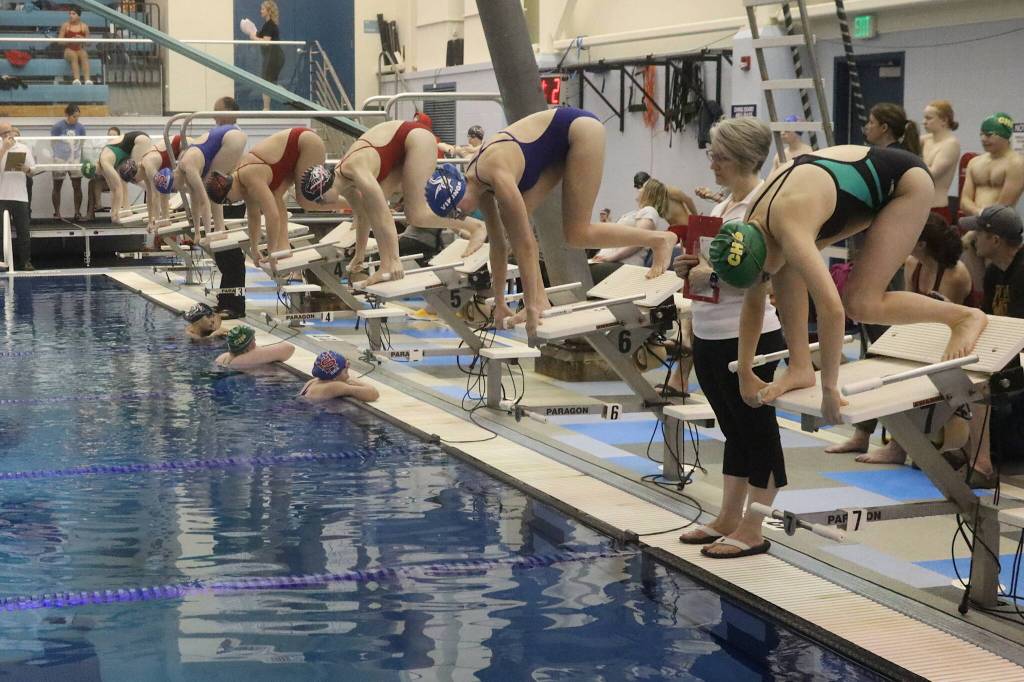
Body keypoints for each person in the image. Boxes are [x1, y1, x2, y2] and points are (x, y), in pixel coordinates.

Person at [710, 144, 988, 424]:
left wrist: (830, 389)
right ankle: (800, 366)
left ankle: (963, 317)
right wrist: (745, 371)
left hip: (905, 184)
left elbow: (831, 309)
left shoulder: (789, 229)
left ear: (760, 255)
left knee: (861, 303)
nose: (761, 283)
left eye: (760, 276)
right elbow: (753, 303)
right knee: (786, 269)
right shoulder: (748, 230)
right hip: (842, 187)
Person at [424, 107, 677, 336]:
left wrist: (529, 306)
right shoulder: (478, 186)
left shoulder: (494, 173)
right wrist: (500, 303)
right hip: (551, 150)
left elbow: (526, 244)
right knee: (511, 225)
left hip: (578, 131)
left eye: (457, 212)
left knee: (577, 233)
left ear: (458, 195)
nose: (461, 218)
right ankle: (541, 300)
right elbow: (499, 246)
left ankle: (658, 239)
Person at [673, 118, 784, 559]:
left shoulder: (761, 206)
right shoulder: (723, 208)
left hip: (750, 333)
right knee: (733, 428)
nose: (711, 163)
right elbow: (710, 268)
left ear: (740, 157)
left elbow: (762, 272)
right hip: (710, 329)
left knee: (758, 431)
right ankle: (728, 516)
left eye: (717, 155)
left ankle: (755, 527)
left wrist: (710, 272)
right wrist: (689, 269)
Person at [827, 212, 972, 462]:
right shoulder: (911, 264)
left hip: (953, 341)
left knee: (902, 374)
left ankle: (898, 447)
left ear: (921, 243)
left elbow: (952, 321)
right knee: (875, 360)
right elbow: (908, 308)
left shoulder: (955, 274)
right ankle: (861, 436)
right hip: (921, 334)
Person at [315, 117, 486, 286]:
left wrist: (396, 259)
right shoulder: (342, 180)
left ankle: (476, 227)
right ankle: (385, 266)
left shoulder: (357, 172)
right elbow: (362, 216)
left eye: (320, 199)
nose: (321, 204)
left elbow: (383, 214)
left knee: (417, 215)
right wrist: (359, 256)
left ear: (326, 187)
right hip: (399, 147)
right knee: (370, 207)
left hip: (416, 139)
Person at [204, 127, 346, 264]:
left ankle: (352, 204)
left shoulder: (249, 177)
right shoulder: (242, 185)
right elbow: (253, 217)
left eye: (228, 201)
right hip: (290, 155)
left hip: (305, 143)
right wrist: (254, 248)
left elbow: (272, 216)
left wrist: (271, 252)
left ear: (228, 191)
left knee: (306, 201)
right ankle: (284, 248)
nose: (232, 203)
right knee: (276, 196)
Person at [959, 206, 1024, 487]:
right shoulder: (995, 274)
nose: (973, 238)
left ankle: (982, 462)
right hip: (1008, 350)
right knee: (952, 369)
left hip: (1019, 355)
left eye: (979, 233)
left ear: (995, 240)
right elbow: (987, 320)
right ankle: (956, 446)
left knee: (979, 380)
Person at [210, 96, 246, 318]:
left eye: (218, 111)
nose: (214, 115)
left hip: (232, 201)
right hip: (220, 200)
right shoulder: (220, 135)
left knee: (231, 255)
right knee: (222, 255)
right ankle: (225, 300)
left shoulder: (236, 137)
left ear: (232, 113)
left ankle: (235, 306)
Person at [173, 125, 247, 235]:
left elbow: (204, 201)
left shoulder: (188, 167)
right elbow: (194, 201)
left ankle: (219, 230)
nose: (178, 190)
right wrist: (197, 232)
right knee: (212, 186)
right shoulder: (183, 165)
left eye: (176, 188)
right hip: (229, 135)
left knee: (211, 188)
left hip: (230, 139)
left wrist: (207, 234)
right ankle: (219, 229)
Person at [590, 178, 668, 282]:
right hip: (613, 263)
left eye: (642, 187)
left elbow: (638, 241)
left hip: (622, 265)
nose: (638, 190)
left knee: (581, 272)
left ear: (649, 193)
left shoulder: (650, 211)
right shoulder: (636, 212)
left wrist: (611, 258)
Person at [961, 114, 1024, 217]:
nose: (983, 139)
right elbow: (964, 201)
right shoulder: (974, 162)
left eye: (989, 135)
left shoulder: (1016, 163)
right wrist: (978, 213)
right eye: (981, 134)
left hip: (999, 228)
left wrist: (982, 218)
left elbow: (1003, 207)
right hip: (975, 222)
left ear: (1005, 136)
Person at [96, 131, 153, 225]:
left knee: (136, 175)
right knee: (125, 179)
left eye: (96, 173)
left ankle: (158, 194)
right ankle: (126, 209)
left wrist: (116, 212)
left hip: (139, 140)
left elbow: (117, 188)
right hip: (134, 140)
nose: (97, 175)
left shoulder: (104, 162)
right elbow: (113, 189)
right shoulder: (102, 166)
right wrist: (114, 211)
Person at [0, 121, 35, 270]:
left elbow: (33, 170)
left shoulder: (23, 148)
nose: (9, 135)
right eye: (4, 133)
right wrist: (4, 149)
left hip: (20, 195)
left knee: (23, 230)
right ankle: (2, 260)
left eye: (10, 131)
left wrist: (27, 169)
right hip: (2, 195)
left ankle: (25, 261)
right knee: (1, 231)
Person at [920, 100, 961, 218]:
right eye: (924, 118)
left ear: (944, 120)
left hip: (936, 209)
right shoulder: (925, 140)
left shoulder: (951, 144)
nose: (924, 122)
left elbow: (931, 174)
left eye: (929, 118)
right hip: (919, 208)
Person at [241, 1, 284, 111]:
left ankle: (267, 107)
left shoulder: (270, 25)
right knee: (269, 81)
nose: (261, 11)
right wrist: (250, 29)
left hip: (274, 57)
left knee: (267, 82)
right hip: (272, 56)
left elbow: (265, 41)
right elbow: (258, 35)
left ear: (268, 11)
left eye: (263, 9)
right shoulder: (267, 25)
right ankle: (270, 105)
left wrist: (253, 37)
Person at [298, 351, 380, 403]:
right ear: (334, 376)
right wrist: (355, 381)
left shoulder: (313, 382)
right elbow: (373, 394)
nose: (348, 376)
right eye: (346, 372)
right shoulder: (335, 386)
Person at [50, 104, 86, 221]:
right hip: (60, 158)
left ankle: (77, 212)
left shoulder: (80, 127)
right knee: (57, 185)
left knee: (77, 185)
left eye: (78, 117)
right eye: (74, 117)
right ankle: (57, 213)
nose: (76, 119)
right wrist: (58, 155)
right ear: (67, 115)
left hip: (75, 158)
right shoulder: (58, 127)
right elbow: (52, 142)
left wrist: (78, 156)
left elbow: (82, 143)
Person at [215, 325, 294, 369]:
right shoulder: (244, 359)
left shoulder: (221, 358)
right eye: (253, 339)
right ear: (250, 345)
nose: (255, 340)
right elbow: (289, 348)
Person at [85, 126, 119, 222]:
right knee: (92, 182)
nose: (111, 137)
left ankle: (98, 205)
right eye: (109, 135)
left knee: (97, 181)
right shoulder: (104, 148)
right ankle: (91, 213)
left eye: (114, 135)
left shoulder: (119, 149)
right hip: (104, 178)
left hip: (115, 180)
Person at [58, 7, 92, 85]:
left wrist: (82, 39)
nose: (71, 16)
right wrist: (70, 40)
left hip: (80, 49)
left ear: (79, 16)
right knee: (73, 55)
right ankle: (76, 79)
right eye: (70, 14)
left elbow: (89, 43)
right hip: (68, 49)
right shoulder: (65, 26)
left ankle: (87, 80)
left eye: (73, 14)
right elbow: (59, 41)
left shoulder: (84, 26)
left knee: (84, 55)